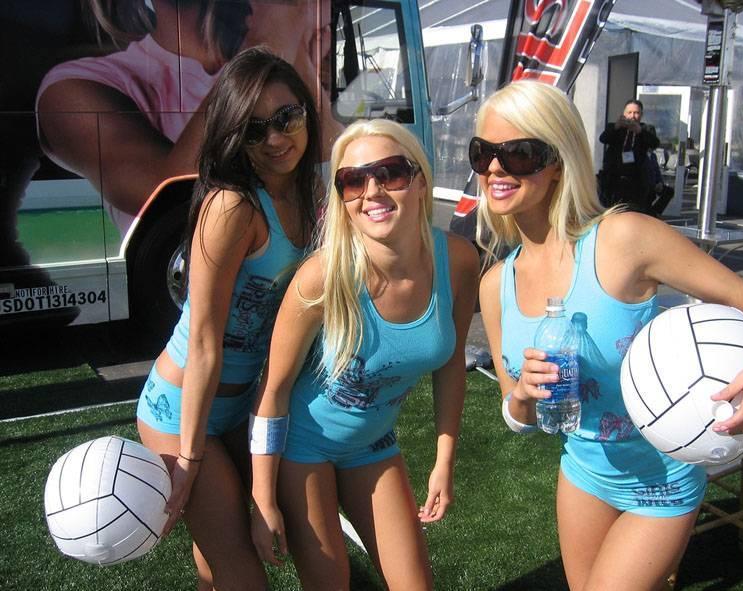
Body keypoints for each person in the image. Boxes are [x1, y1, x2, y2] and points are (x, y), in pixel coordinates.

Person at [473, 80, 743, 591]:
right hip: (583, 474)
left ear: (557, 161)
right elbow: (517, 415)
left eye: (517, 153)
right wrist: (523, 397)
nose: (495, 168)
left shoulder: (623, 239)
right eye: (483, 153)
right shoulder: (496, 285)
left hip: (662, 478)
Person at [249, 119, 479, 590]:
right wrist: (262, 498)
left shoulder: (458, 260)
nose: (372, 191)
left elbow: (451, 364)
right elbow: (274, 390)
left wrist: (444, 460)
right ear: (342, 199)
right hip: (303, 447)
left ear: (420, 181)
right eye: (353, 181)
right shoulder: (322, 276)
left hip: (373, 445)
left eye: (390, 172)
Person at [136, 47, 322, 591]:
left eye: (286, 117)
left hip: (242, 403)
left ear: (306, 112)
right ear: (235, 137)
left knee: (222, 561)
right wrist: (189, 458)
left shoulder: (311, 192)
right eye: (254, 129)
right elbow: (202, 342)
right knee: (240, 566)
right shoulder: (232, 206)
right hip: (181, 410)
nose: (275, 138)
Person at [35, 0, 337, 234]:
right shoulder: (75, 86)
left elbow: (330, 172)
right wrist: (264, 49)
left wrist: (293, 47)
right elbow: (169, 195)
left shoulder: (283, 38)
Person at [598, 99, 660, 214]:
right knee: (614, 213)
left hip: (637, 181)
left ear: (641, 115)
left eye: (636, 113)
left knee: (635, 213)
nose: (632, 116)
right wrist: (616, 126)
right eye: (629, 112)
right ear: (624, 114)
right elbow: (603, 138)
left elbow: (655, 143)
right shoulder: (615, 127)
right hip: (615, 180)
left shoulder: (646, 129)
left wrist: (640, 131)